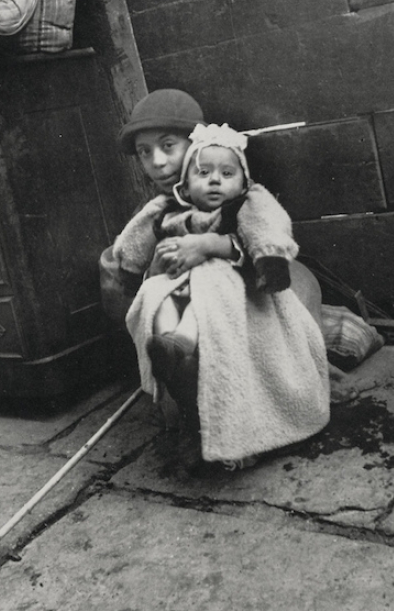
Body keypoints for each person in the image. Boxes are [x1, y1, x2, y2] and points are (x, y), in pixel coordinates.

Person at [121, 121, 331, 469]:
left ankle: (237, 424)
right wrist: (144, 271)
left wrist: (215, 245)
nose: (158, 161)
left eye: (168, 146)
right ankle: (180, 368)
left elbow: (264, 235)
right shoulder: (163, 209)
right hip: (182, 292)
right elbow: (132, 251)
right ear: (189, 179)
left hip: (238, 292)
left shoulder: (243, 204)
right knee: (158, 301)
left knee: (221, 315)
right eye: (145, 152)